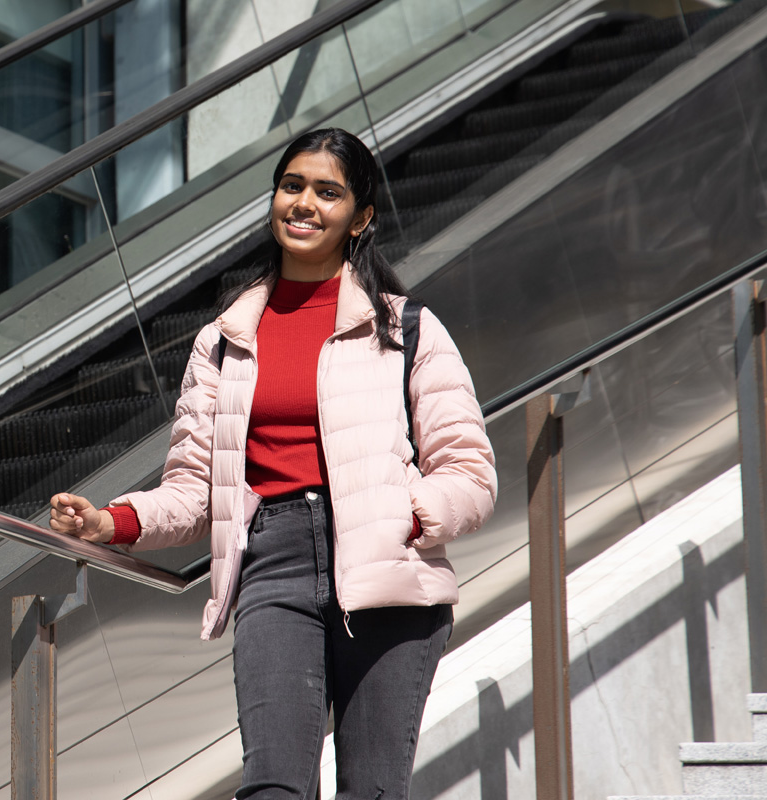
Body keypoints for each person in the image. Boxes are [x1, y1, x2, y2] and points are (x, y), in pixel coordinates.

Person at [48, 128, 497, 799]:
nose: (304, 203)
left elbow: (470, 471)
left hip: (387, 574)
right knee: (273, 788)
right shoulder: (225, 340)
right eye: (292, 186)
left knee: (372, 790)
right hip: (272, 568)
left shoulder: (408, 329)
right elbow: (197, 488)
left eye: (328, 191)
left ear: (361, 218)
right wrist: (111, 521)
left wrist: (411, 513)